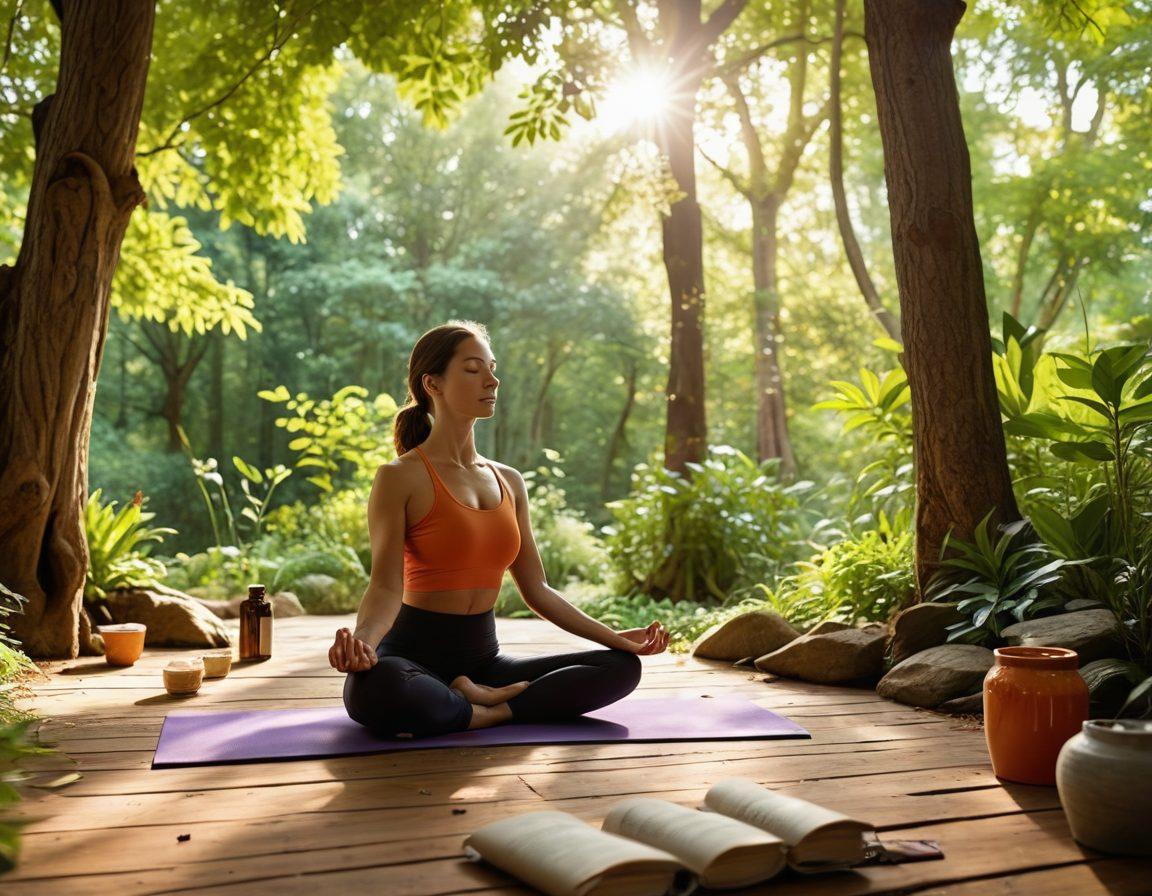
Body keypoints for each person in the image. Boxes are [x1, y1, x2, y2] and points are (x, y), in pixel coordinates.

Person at [332, 320, 668, 738]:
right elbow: (384, 586)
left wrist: (615, 637)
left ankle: (477, 704)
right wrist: (364, 642)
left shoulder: (509, 480)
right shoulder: (399, 476)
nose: (492, 380)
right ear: (432, 383)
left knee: (619, 667)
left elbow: (538, 589)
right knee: (378, 689)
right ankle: (483, 708)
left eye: (491, 368)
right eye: (474, 369)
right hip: (412, 657)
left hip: (486, 664)